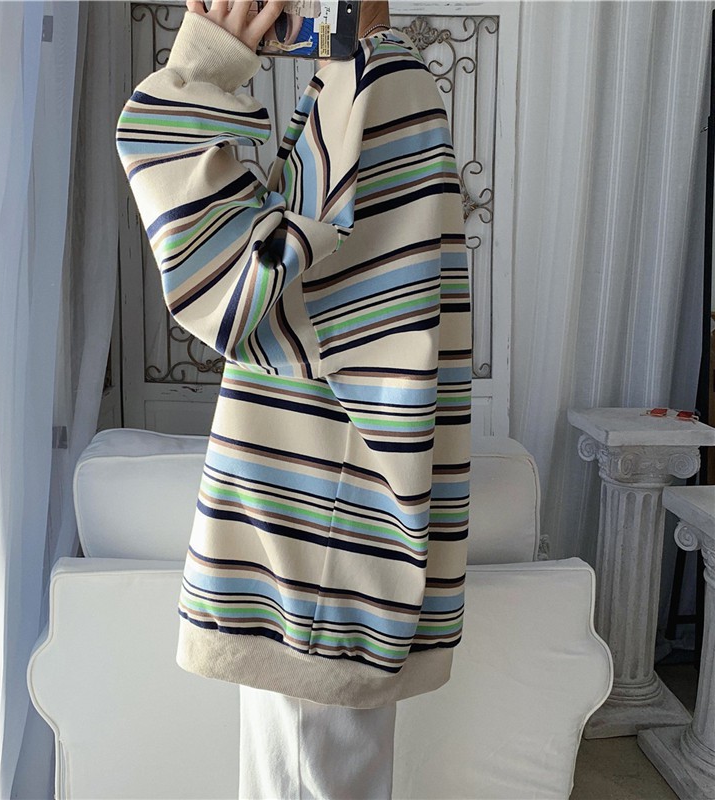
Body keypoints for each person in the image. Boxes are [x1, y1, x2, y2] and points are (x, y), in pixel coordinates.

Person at [115, 0, 472, 795]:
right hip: (330, 547)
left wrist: (202, 68)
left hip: (316, 558)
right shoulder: (368, 81)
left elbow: (236, 288)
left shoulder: (373, 86)